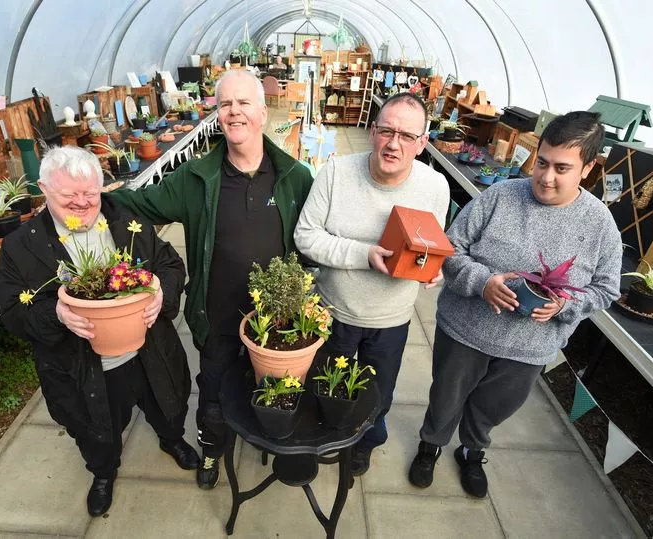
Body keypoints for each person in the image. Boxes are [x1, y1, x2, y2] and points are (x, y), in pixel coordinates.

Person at [106, 69, 313, 489]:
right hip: (217, 314)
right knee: (214, 391)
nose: (234, 112)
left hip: (275, 323)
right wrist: (92, 199)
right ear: (217, 114)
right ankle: (212, 451)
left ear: (262, 110)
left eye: (243, 103)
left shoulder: (295, 177)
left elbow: (321, 236)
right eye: (225, 104)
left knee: (274, 387)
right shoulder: (198, 178)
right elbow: (142, 204)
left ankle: (268, 438)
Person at [408, 111, 622, 497]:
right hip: (465, 331)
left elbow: (607, 289)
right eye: (542, 162)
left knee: (494, 406)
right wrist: (483, 282)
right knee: (446, 395)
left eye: (562, 168)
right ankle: (431, 445)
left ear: (588, 169)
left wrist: (564, 307)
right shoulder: (501, 196)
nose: (545, 176)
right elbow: (450, 249)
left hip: (528, 349)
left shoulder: (599, 223)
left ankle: (472, 451)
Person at [0, 146, 198, 516]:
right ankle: (104, 472)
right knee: (95, 429)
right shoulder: (20, 246)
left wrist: (161, 293)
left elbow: (169, 263)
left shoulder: (125, 218)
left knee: (167, 403)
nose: (81, 204)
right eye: (68, 196)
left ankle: (172, 440)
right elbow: (11, 313)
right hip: (83, 366)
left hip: (147, 348)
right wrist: (55, 313)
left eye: (90, 194)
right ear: (43, 189)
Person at [294, 92, 450, 476]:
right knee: (328, 385)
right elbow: (306, 236)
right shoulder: (336, 173)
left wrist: (433, 267)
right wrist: (364, 253)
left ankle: (364, 445)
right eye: (386, 130)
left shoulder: (435, 188)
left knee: (377, 395)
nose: (394, 144)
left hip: (390, 319)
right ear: (371, 130)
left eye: (407, 136)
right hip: (333, 311)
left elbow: (429, 243)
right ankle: (325, 436)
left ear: (422, 144)